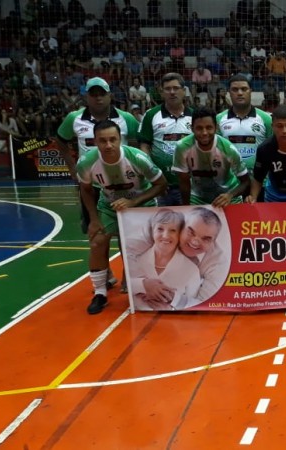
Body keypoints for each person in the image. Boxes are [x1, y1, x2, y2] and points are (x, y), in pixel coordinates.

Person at [57, 77, 139, 291]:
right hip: (91, 185)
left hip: (124, 185)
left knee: (127, 233)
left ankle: (127, 277)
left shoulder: (126, 118)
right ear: (87, 96)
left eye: (102, 93)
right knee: (97, 231)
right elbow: (60, 140)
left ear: (110, 95)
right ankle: (106, 277)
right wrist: (73, 169)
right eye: (93, 94)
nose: (98, 97)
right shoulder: (74, 119)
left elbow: (138, 145)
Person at [78, 120, 167, 314]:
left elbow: (161, 184)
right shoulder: (86, 162)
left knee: (147, 248)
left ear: (121, 139)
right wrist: (93, 219)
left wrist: (133, 203)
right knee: (97, 242)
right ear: (95, 141)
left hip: (141, 205)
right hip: (109, 206)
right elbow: (85, 190)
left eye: (113, 140)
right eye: (102, 141)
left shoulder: (138, 158)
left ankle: (148, 287)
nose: (108, 145)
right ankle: (100, 293)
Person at [127, 206, 229, 307]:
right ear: (181, 228)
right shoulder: (159, 233)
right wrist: (143, 284)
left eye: (206, 239)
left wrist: (170, 302)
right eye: (190, 232)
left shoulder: (218, 264)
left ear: (213, 242)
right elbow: (127, 250)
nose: (194, 241)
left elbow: (204, 303)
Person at [173, 107, 250, 207]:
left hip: (228, 196)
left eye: (209, 127)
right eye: (199, 128)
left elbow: (246, 182)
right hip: (198, 198)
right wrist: (186, 208)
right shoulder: (182, 147)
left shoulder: (228, 149)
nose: (204, 133)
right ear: (192, 128)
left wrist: (230, 195)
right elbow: (184, 181)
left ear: (216, 128)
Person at [138, 72, 194, 206]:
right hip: (161, 186)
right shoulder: (151, 115)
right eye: (168, 89)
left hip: (190, 185)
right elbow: (144, 147)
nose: (172, 92)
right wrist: (153, 178)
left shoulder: (194, 115)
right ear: (161, 92)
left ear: (184, 91)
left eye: (176, 88)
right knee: (161, 224)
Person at [129, 209, 200, 310]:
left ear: (180, 235)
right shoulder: (136, 261)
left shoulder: (192, 270)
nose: (166, 236)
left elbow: (196, 305)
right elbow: (127, 288)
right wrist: (142, 284)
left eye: (173, 230)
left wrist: (170, 309)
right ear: (152, 232)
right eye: (160, 229)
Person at [216, 74, 273, 177]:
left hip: (260, 180)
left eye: (244, 89)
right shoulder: (219, 119)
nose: (240, 93)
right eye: (235, 90)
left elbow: (273, 148)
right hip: (231, 181)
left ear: (250, 91)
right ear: (229, 92)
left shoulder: (266, 119)